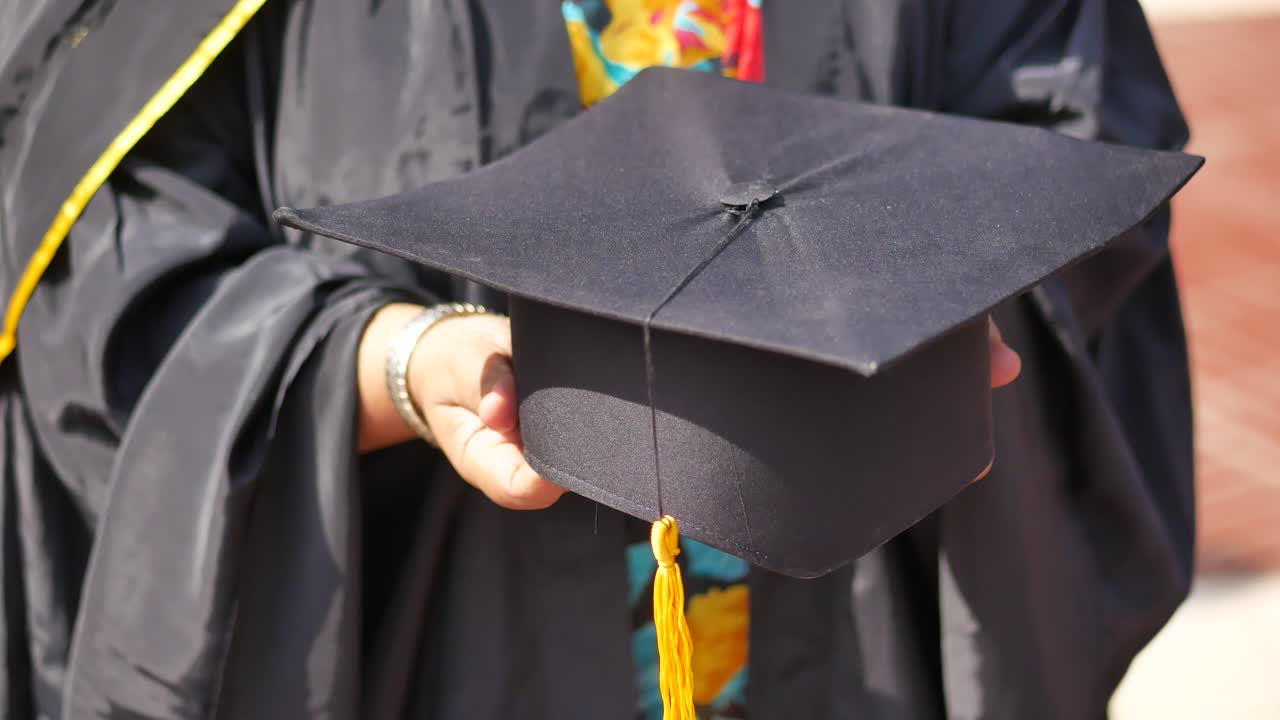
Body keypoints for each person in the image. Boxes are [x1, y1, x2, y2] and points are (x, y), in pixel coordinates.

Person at [0, 1, 1194, 718]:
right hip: (448, 649)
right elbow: (117, 272)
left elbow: (1073, 138)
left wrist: (935, 288)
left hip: (848, 644)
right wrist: (398, 361)